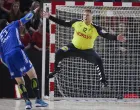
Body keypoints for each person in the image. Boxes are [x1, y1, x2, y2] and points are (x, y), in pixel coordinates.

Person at [43, 9, 126, 88]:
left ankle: (103, 81)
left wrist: (116, 38)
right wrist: (50, 17)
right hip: (73, 47)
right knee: (59, 52)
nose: (85, 17)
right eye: (84, 15)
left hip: (87, 51)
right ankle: (57, 69)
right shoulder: (76, 22)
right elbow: (63, 22)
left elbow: (106, 34)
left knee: (98, 60)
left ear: (91, 17)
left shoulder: (96, 28)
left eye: (87, 15)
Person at [0, 7, 48, 110]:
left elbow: (2, 59)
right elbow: (26, 18)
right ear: (7, 24)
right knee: (32, 75)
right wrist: (34, 11)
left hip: (8, 58)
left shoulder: (0, 37)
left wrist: (11, 66)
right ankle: (38, 100)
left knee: (20, 82)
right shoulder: (12, 25)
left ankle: (27, 103)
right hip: (17, 51)